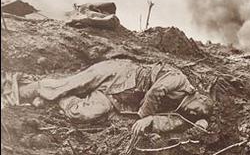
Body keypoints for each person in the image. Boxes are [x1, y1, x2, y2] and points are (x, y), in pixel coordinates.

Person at [10, 59, 214, 135]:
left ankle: (50, 99)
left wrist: (152, 120)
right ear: (200, 98)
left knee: (83, 114)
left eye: (197, 115)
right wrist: (145, 116)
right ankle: (22, 90)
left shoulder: (183, 113)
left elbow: (171, 123)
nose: (194, 113)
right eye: (199, 110)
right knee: (72, 83)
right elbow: (155, 92)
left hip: (118, 99)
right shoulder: (180, 80)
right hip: (119, 73)